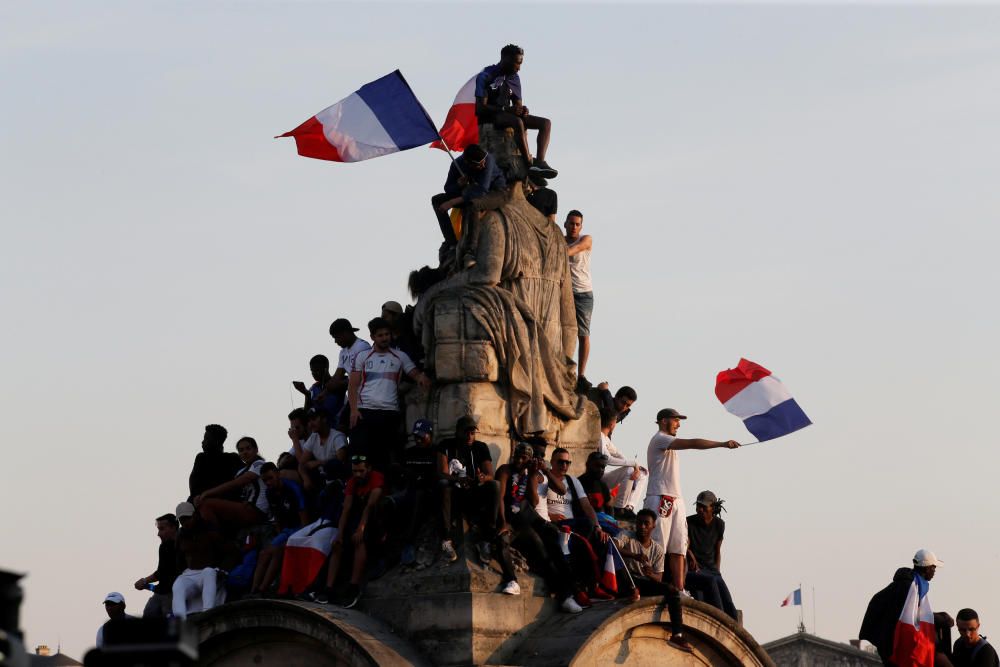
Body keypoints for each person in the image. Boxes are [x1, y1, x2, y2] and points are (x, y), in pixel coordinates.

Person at [644, 408, 740, 593]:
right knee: (659, 546)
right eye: (675, 420)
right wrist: (721, 444)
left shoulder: (667, 442)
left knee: (678, 547)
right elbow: (693, 443)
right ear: (664, 421)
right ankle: (656, 587)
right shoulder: (660, 439)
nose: (678, 424)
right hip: (660, 497)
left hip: (676, 499)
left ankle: (679, 589)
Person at [494, 442, 582, 613]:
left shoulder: (531, 474)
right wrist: (502, 522)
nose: (520, 461)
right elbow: (500, 499)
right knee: (509, 541)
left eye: (524, 458)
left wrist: (534, 474)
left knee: (549, 545)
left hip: (527, 520)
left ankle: (567, 595)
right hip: (511, 521)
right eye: (517, 456)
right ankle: (512, 580)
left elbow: (533, 501)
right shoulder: (505, 470)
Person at [349, 317, 431, 471]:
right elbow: (352, 385)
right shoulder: (362, 356)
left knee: (385, 458)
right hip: (365, 411)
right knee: (361, 456)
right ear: (372, 337)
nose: (385, 338)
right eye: (380, 335)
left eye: (387, 334)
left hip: (389, 413)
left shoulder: (400, 356)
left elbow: (413, 372)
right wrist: (354, 410)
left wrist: (421, 378)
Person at [614, 509, 692, 653]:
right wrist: (635, 556)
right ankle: (632, 591)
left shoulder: (657, 549)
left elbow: (659, 577)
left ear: (653, 526)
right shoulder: (627, 536)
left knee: (672, 590)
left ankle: (677, 635)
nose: (642, 527)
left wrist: (650, 575)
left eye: (646, 524)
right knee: (621, 568)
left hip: (644, 582)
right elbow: (614, 547)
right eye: (639, 523)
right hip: (626, 578)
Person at [474, 44, 557, 178]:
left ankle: (540, 163)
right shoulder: (486, 76)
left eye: (521, 63)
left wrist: (522, 110)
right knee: (517, 122)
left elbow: (518, 104)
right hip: (491, 117)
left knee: (546, 123)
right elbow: (480, 109)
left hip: (507, 114)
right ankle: (529, 164)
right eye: (517, 63)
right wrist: (506, 109)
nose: (519, 68)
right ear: (505, 59)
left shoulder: (514, 78)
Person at [860, 549, 954, 666]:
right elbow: (910, 615)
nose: (935, 571)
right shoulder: (909, 587)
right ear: (927, 568)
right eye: (933, 567)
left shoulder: (912, 583)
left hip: (888, 640)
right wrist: (941, 618)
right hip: (892, 643)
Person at [317, 455, 387, 608]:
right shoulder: (352, 482)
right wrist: (339, 534)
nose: (358, 475)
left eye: (361, 471)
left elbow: (370, 506)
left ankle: (354, 586)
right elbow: (346, 509)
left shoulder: (376, 478)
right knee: (337, 545)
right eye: (355, 471)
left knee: (359, 540)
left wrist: (361, 528)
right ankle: (328, 588)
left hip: (376, 518)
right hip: (358, 515)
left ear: (368, 469)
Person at [437, 415, 502, 565]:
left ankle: (486, 539)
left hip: (473, 493)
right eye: (466, 432)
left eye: (472, 433)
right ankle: (446, 540)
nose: (469, 436)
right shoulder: (446, 445)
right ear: (457, 432)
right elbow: (441, 472)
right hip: (454, 493)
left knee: (495, 486)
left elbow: (490, 475)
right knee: (443, 485)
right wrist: (458, 480)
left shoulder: (480, 447)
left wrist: (482, 478)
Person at [430, 144, 508, 267]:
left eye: (483, 162)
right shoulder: (457, 164)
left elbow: (482, 190)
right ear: (467, 163)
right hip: (468, 194)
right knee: (436, 200)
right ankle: (451, 243)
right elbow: (448, 188)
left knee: (473, 205)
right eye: (478, 164)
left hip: (496, 193)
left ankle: (470, 251)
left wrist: (452, 202)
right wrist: (459, 184)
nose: (483, 165)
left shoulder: (489, 160)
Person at [250, 463, 309, 595]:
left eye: (270, 478)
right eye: (265, 480)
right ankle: (253, 589)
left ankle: (262, 589)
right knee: (263, 554)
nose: (268, 482)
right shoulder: (269, 492)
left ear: (277, 474)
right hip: (286, 530)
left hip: (300, 529)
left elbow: (304, 517)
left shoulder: (293, 489)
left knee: (277, 551)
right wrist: (280, 533)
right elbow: (276, 516)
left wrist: (299, 539)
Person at [194, 436, 270, 532]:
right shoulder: (241, 471)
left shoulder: (260, 464)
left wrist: (207, 493)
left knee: (206, 504)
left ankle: (218, 541)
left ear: (256, 450)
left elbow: (238, 482)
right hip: (245, 508)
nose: (245, 452)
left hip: (257, 511)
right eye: (241, 450)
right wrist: (201, 496)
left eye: (248, 448)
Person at [396, 419, 444, 567]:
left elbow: (438, 476)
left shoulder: (437, 452)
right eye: (416, 436)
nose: (418, 440)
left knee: (418, 499)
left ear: (430, 435)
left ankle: (409, 543)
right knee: (388, 504)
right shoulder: (409, 453)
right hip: (408, 490)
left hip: (426, 493)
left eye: (421, 436)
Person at [685, 490, 737, 619]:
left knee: (729, 606)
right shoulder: (689, 522)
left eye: (703, 507)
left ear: (712, 508)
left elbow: (717, 550)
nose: (699, 509)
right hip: (696, 570)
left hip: (712, 570)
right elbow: (685, 545)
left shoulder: (719, 525)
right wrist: (690, 555)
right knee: (711, 604)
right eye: (698, 506)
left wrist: (717, 571)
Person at [171, 501, 227, 618]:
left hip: (209, 572)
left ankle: (207, 614)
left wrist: (224, 569)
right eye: (182, 520)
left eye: (188, 518)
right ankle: (180, 622)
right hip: (190, 574)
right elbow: (179, 560)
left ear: (195, 515)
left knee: (208, 572)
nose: (185, 522)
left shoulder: (210, 531)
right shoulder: (180, 536)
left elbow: (229, 552)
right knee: (178, 584)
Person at [597, 408, 647, 519]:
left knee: (642, 474)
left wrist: (636, 467)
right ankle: (619, 508)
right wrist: (632, 464)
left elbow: (619, 455)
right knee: (630, 469)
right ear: (612, 423)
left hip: (603, 478)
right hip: (597, 479)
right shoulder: (599, 437)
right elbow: (607, 459)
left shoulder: (605, 439)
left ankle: (629, 506)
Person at [564, 210, 593, 388]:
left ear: (580, 226)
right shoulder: (559, 239)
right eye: (571, 223)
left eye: (577, 224)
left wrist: (556, 250)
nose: (574, 227)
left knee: (583, 334)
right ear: (565, 224)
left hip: (583, 292)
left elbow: (574, 249)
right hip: (564, 291)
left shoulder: (586, 239)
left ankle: (581, 374)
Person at [133, 513, 181, 618]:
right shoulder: (164, 547)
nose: (158, 534)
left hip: (174, 593)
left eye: (162, 529)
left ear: (173, 527)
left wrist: (144, 581)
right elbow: (162, 574)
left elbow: (162, 574)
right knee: (149, 614)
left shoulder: (183, 543)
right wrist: (146, 584)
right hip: (162, 592)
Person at [296, 408, 348, 495]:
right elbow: (302, 463)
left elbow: (340, 462)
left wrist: (318, 463)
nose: (310, 424)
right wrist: (306, 479)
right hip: (321, 480)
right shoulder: (313, 437)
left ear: (324, 419)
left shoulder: (337, 437)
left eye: (313, 419)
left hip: (337, 481)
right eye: (309, 421)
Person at [188, 424, 241, 501]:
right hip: (200, 499)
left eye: (206, 439)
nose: (202, 442)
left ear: (216, 441)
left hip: (220, 501)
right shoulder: (201, 458)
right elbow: (193, 486)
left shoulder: (232, 458)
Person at [328, 318, 371, 405]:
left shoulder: (362, 347)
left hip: (367, 395)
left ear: (345, 333)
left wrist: (341, 384)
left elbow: (366, 375)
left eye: (336, 337)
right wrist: (326, 390)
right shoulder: (343, 352)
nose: (335, 341)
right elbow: (337, 375)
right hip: (355, 395)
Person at [292, 354, 341, 423]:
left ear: (325, 369)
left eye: (317, 370)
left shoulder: (338, 383)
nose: (314, 373)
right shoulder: (313, 388)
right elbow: (306, 414)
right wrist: (306, 393)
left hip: (337, 427)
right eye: (312, 371)